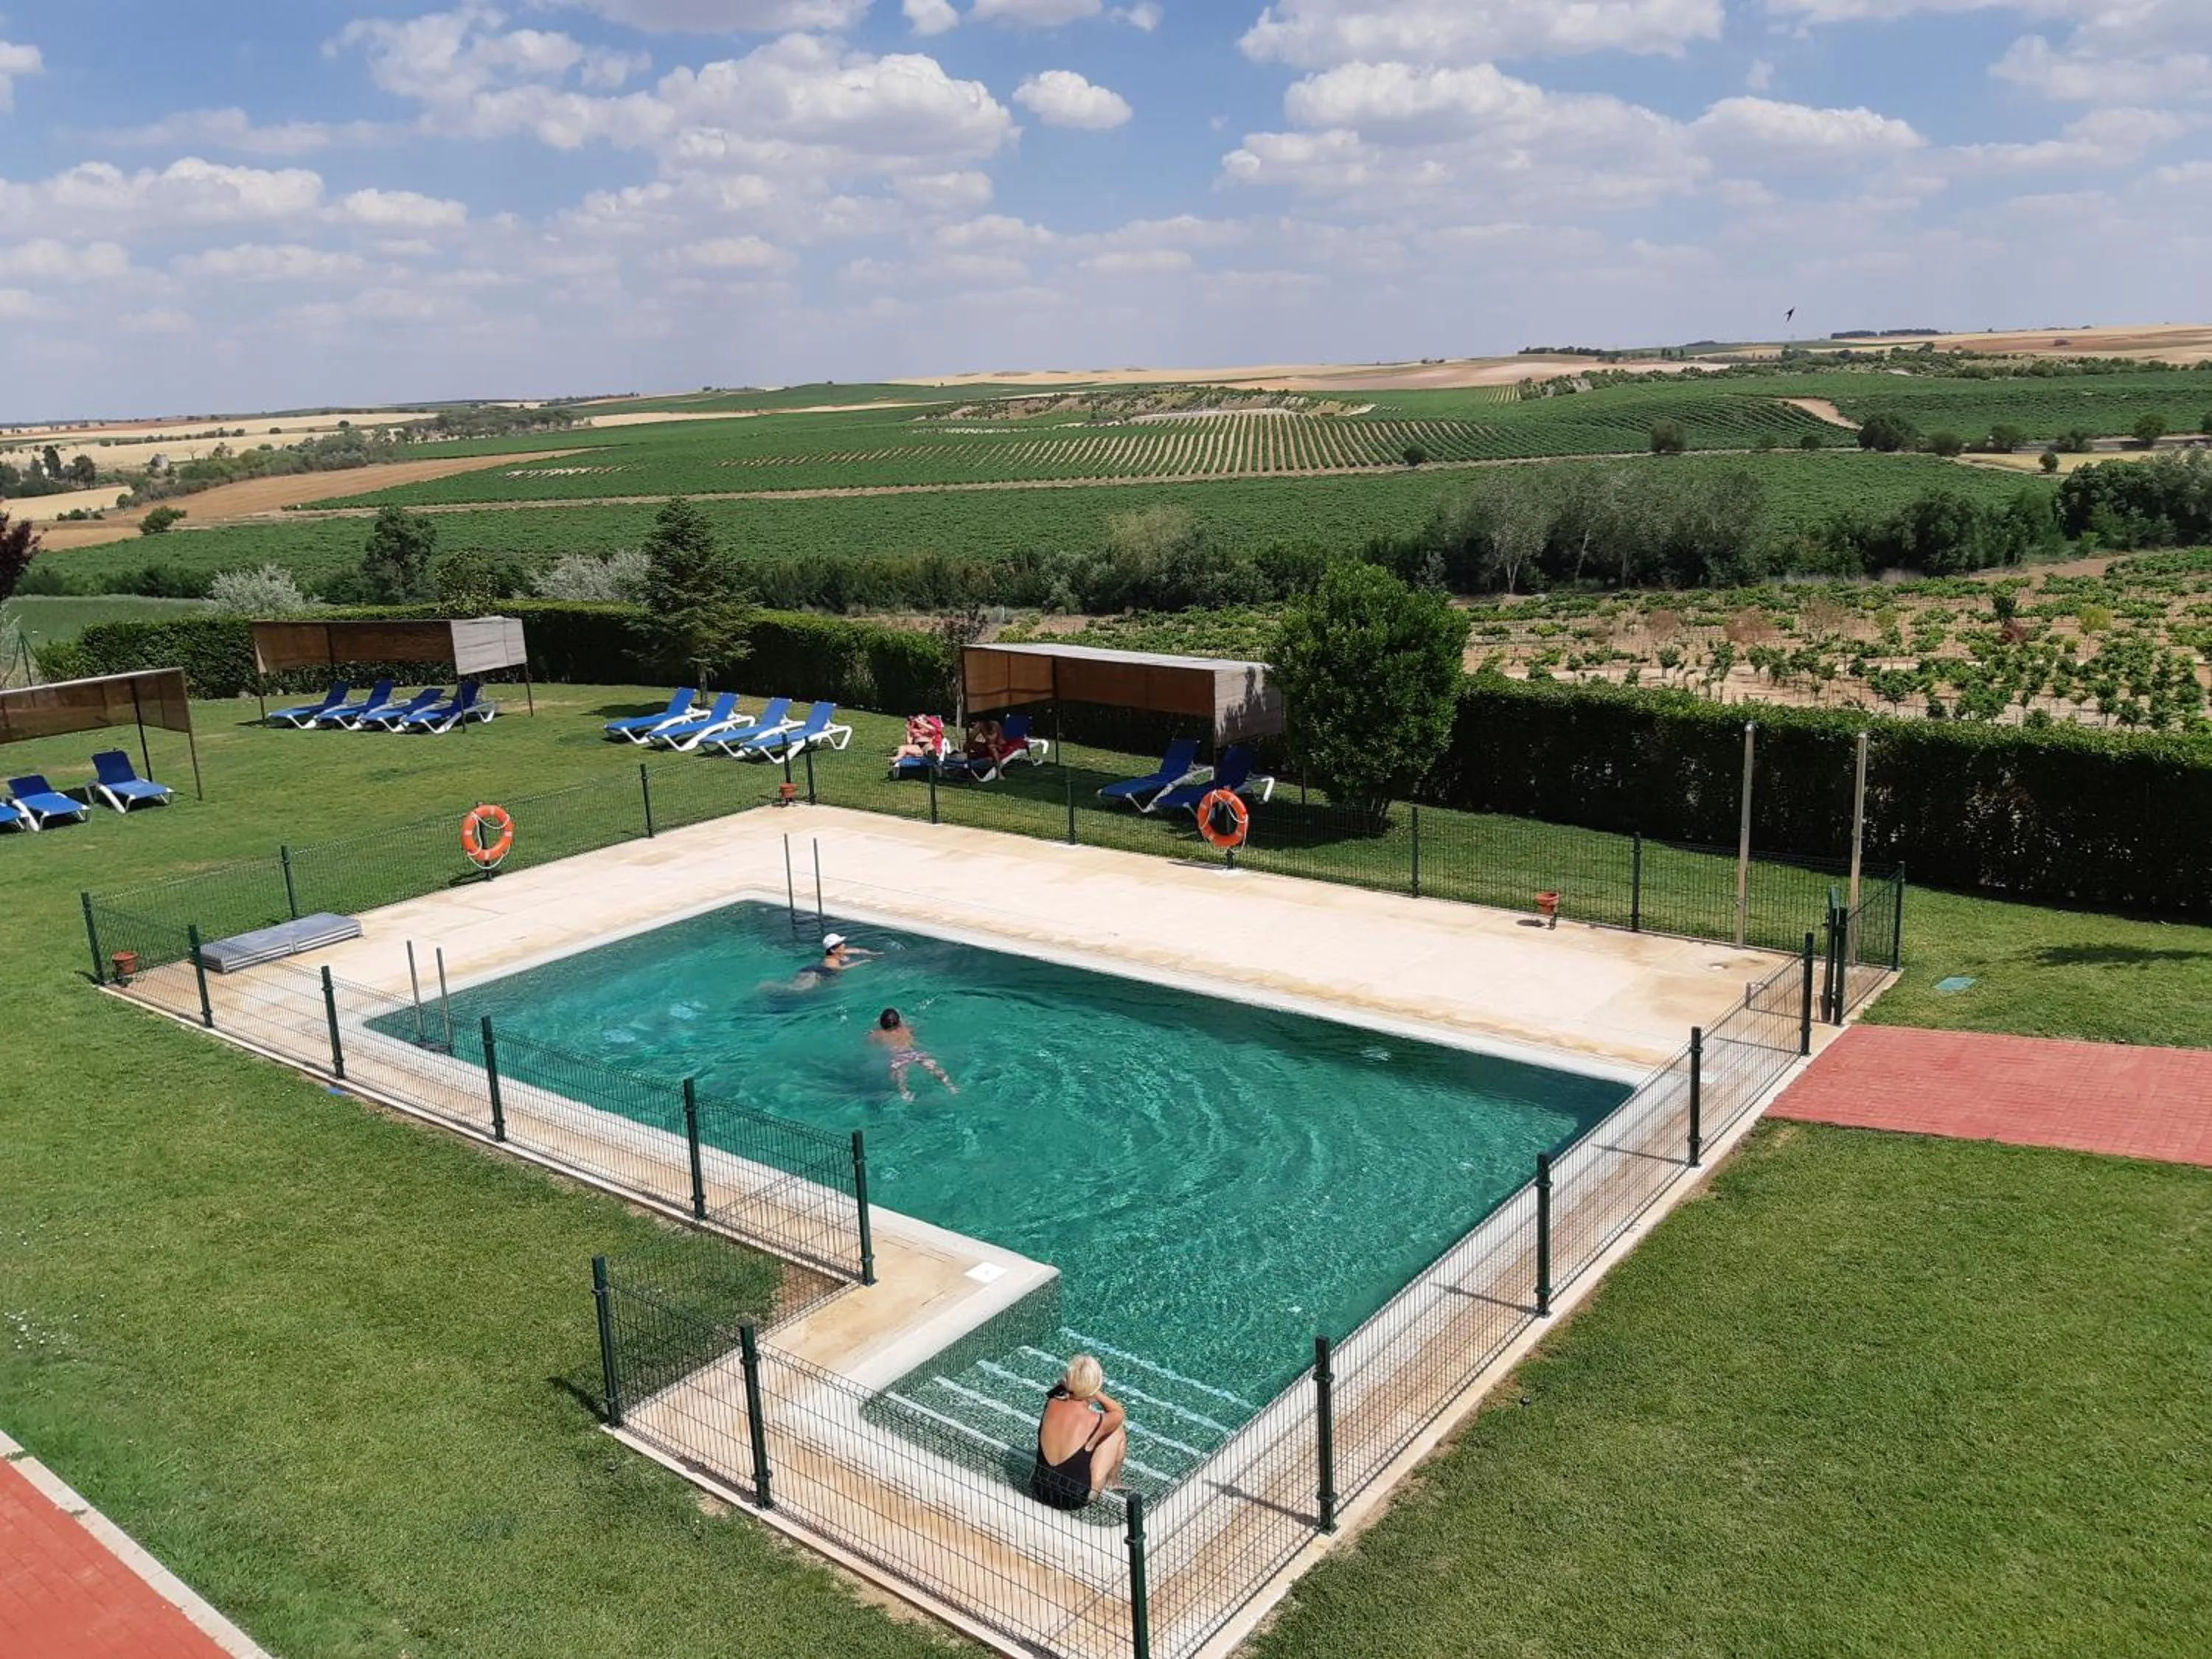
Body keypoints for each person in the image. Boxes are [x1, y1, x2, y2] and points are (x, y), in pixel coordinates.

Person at [1030, 1354, 1127, 1510]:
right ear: (1097, 1385)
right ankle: (1113, 1482)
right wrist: (1095, 1392)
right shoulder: (1097, 1422)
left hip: (1040, 1489)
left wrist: (1071, 1387)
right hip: (1073, 1500)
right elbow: (1118, 1412)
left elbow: (1056, 1390)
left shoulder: (1051, 1403)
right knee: (1117, 1431)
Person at [869, 1007, 955, 1100]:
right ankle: (950, 1086)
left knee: (900, 1077)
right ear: (899, 1022)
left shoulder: (877, 1034)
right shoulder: (906, 1029)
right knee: (932, 1066)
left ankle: (905, 1093)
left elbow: (872, 1046)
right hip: (914, 1053)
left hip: (899, 1057)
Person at [794, 933, 876, 988]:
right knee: (799, 989)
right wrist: (862, 962)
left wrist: (872, 953)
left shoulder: (837, 952)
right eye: (840, 944)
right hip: (815, 973)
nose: (843, 945)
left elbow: (857, 950)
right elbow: (841, 969)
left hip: (814, 969)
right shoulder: (831, 963)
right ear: (833, 950)